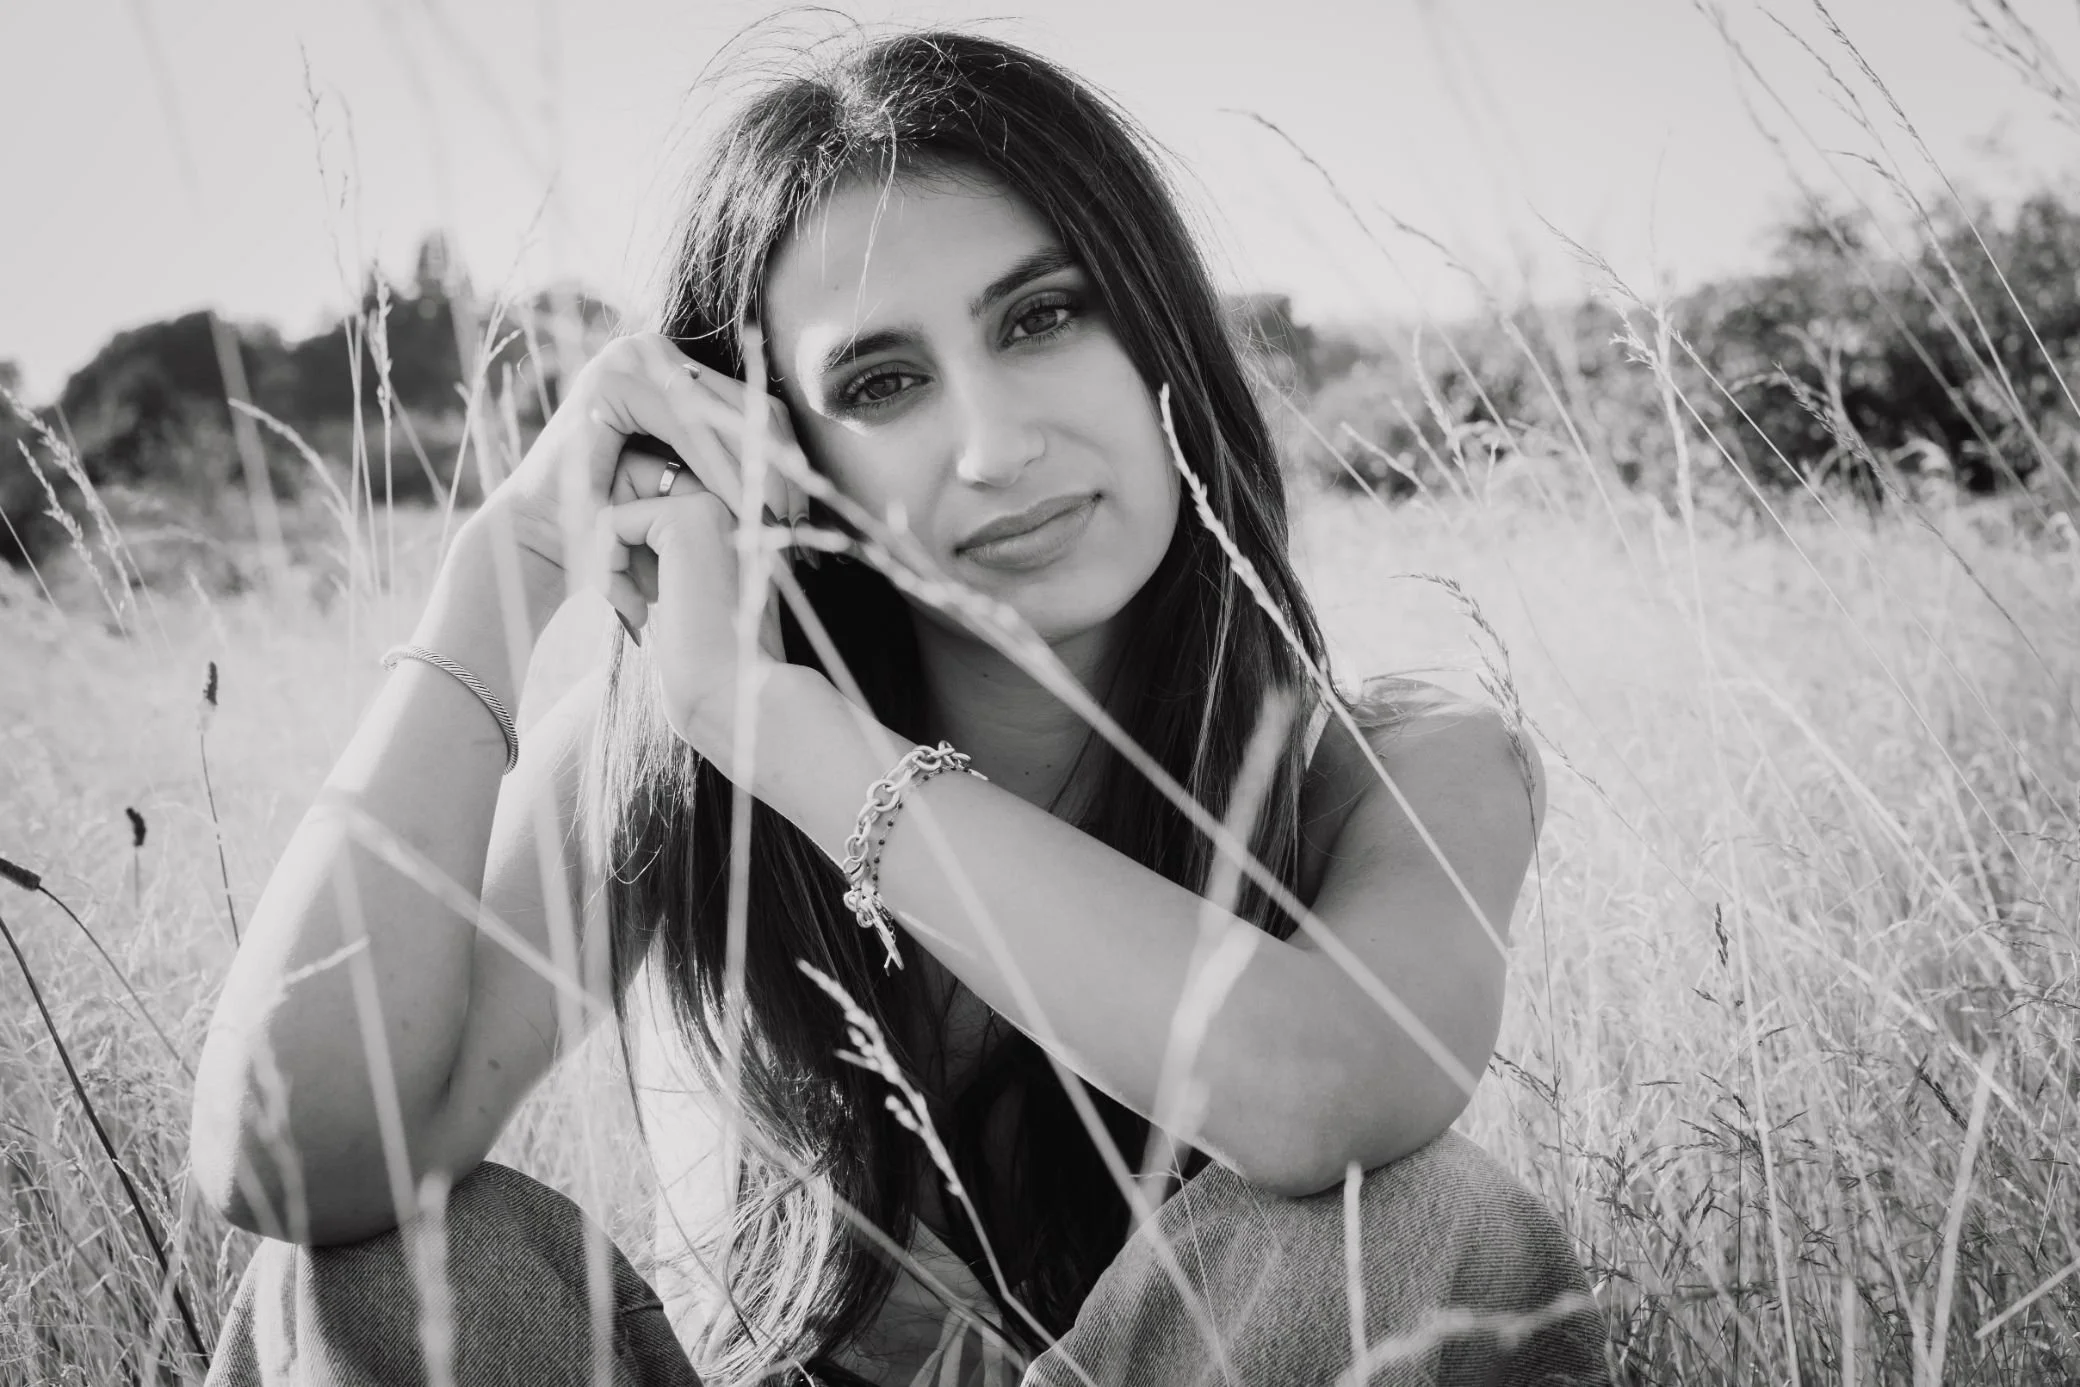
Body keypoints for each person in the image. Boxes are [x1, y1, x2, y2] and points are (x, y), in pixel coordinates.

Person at [189, 27, 1608, 1387]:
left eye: (1046, 315)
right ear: (776, 455)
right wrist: (502, 573)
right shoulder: (662, 773)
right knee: (373, 1270)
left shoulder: (1401, 765)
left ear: (1159, 329)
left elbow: (1333, 1092)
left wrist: (782, 727)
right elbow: (288, 1161)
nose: (997, 445)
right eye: (882, 382)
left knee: (1420, 1229)